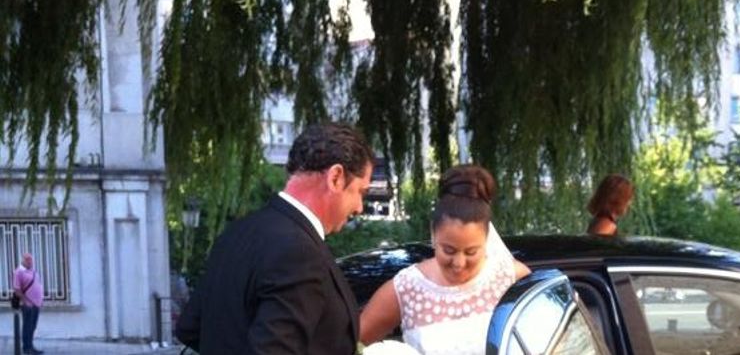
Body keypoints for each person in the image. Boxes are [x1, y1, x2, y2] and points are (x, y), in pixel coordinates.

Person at [175, 123, 375, 354]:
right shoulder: (300, 254)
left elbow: (189, 328)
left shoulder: (236, 233)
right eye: (361, 192)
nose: (360, 207)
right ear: (336, 178)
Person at [359, 165, 531, 354]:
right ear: (433, 234)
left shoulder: (513, 278)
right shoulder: (406, 289)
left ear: (487, 237)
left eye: (471, 252)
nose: (459, 263)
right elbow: (351, 344)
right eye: (449, 250)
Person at [13, 252, 44, 355]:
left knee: (33, 326)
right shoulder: (18, 272)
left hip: (36, 304)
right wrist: (26, 301)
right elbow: (17, 289)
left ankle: (31, 346)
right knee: (27, 326)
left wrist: (40, 299)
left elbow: (37, 285)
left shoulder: (33, 271)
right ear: (23, 260)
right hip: (28, 305)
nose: (30, 261)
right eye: (27, 259)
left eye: (31, 259)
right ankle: (26, 348)